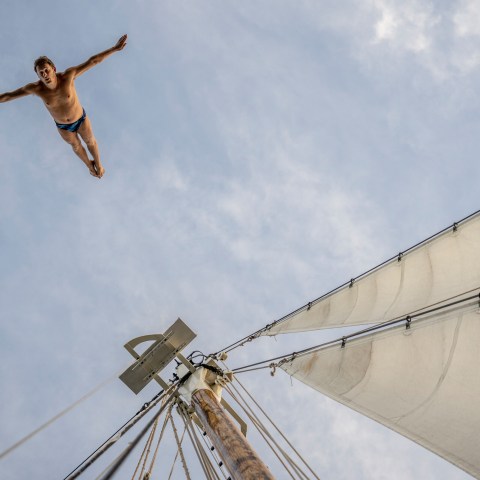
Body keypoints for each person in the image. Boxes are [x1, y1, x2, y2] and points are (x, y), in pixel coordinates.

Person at [0, 34, 128, 178]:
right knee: (76, 146)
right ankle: (89, 167)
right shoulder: (36, 88)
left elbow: (94, 61)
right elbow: (8, 96)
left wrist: (115, 48)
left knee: (90, 141)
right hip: (63, 127)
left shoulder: (68, 76)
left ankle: (99, 165)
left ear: (53, 69)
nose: (44, 75)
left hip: (80, 119)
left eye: (46, 70)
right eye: (40, 73)